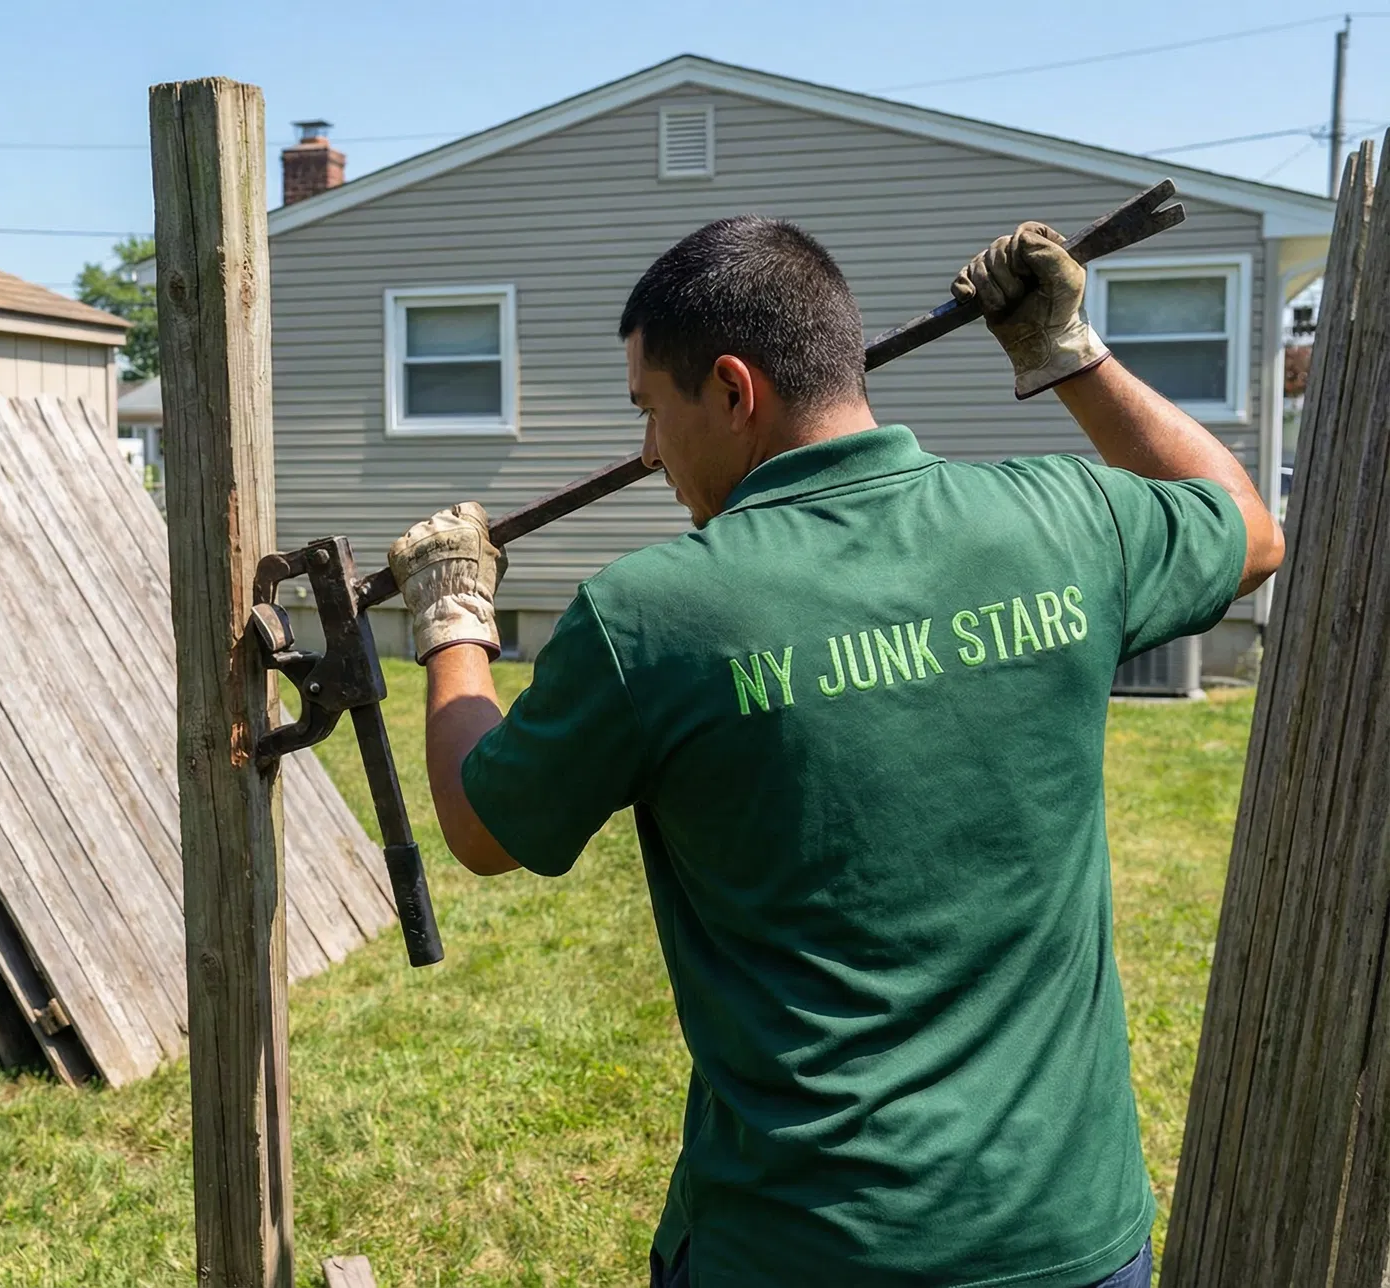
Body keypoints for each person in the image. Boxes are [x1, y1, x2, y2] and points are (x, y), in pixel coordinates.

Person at [384, 218, 1285, 1288]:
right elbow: (1248, 529)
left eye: (650, 413)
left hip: (801, 1248)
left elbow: (486, 827)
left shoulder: (655, 619)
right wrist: (1068, 356)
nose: (646, 454)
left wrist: (452, 627)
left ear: (731, 389)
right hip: (1066, 1236)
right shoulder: (1063, 519)